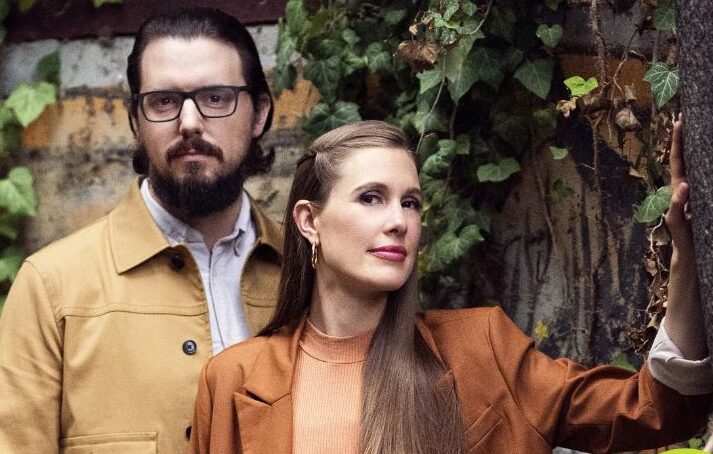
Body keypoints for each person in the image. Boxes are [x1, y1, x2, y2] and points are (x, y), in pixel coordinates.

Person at [189, 119, 712, 454]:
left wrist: (686, 259)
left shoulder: (480, 348)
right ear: (309, 221)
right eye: (371, 197)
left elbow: (655, 410)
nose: (398, 221)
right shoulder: (233, 380)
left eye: (410, 202)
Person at [0, 7, 282, 453]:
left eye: (216, 97)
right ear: (135, 120)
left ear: (259, 113)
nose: (189, 122)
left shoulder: (310, 269)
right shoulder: (52, 288)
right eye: (163, 102)